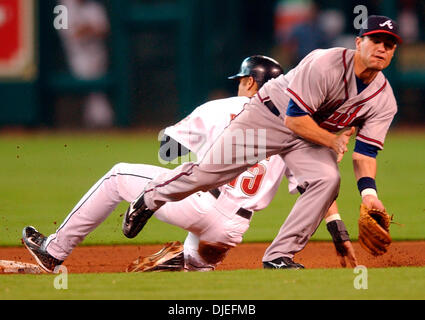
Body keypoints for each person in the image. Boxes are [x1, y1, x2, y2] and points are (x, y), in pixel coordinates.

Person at [22, 56, 356, 273]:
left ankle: (53, 251)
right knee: (194, 267)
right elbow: (312, 186)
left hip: (195, 202)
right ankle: (187, 261)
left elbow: (167, 152)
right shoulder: (294, 125)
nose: (239, 85)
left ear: (252, 83)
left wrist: (170, 134)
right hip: (232, 230)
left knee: (118, 175)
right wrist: (337, 227)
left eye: (241, 80)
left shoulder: (221, 107)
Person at [121, 15, 401, 269]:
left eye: (389, 45)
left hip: (307, 137)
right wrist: (332, 141)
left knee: (327, 179)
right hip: (268, 118)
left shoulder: (384, 99)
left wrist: (369, 195)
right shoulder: (325, 63)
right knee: (208, 175)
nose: (381, 48)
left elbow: (365, 154)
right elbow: (294, 121)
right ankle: (150, 197)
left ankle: (279, 256)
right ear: (358, 42)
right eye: (375, 40)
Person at [57, 0, 114, 128]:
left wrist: (87, 29)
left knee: (97, 92)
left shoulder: (94, 6)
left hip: (97, 54)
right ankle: (96, 122)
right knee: (92, 91)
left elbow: (104, 29)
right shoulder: (63, 7)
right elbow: (68, 34)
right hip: (75, 56)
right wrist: (88, 28)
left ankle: (98, 123)